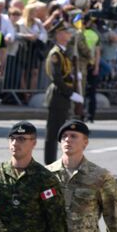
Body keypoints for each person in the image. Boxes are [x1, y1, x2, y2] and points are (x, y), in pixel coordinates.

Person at [43, 25, 80, 165]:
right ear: (58, 35)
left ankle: (53, 162)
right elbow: (56, 78)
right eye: (66, 32)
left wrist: (75, 77)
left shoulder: (63, 53)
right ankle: (49, 163)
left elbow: (64, 74)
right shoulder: (56, 54)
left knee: (59, 131)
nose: (69, 35)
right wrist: (71, 94)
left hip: (62, 96)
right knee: (53, 133)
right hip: (58, 96)